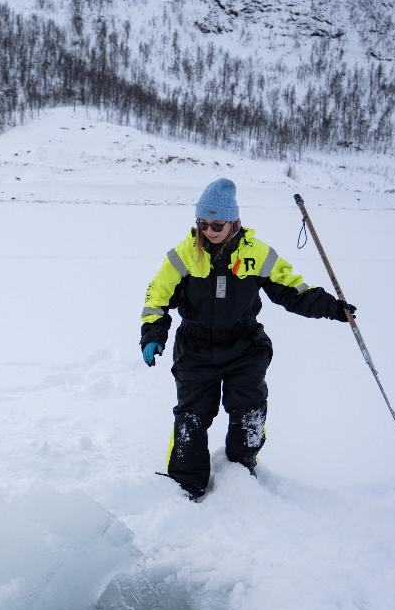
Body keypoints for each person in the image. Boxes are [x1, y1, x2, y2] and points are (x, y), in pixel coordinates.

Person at [139, 178, 355, 500]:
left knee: (249, 410)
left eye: (216, 225)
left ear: (233, 222)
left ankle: (241, 472)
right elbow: (157, 297)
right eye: (202, 224)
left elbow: (292, 290)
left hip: (245, 347)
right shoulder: (183, 255)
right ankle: (186, 484)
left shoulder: (257, 254)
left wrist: (332, 308)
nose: (209, 231)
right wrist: (153, 334)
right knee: (192, 416)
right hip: (195, 349)